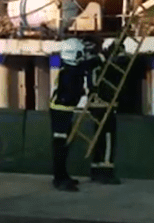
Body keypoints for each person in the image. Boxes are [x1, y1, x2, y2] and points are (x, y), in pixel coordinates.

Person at [48, 38, 93, 192]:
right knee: (60, 146)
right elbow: (81, 72)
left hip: (64, 110)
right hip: (60, 112)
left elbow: (83, 67)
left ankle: (63, 175)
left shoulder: (69, 68)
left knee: (65, 144)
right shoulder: (69, 72)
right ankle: (59, 178)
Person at [86, 38, 121, 185]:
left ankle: (95, 169)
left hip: (95, 105)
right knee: (107, 138)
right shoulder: (106, 66)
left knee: (98, 137)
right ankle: (106, 172)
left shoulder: (94, 63)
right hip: (105, 105)